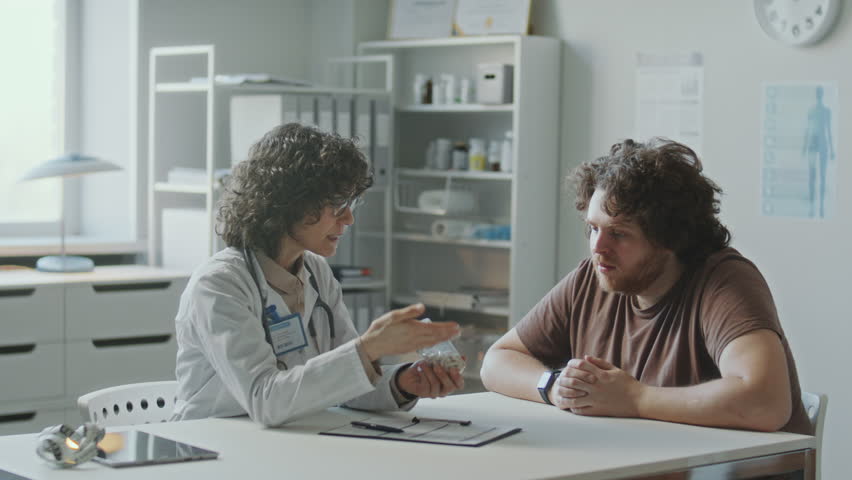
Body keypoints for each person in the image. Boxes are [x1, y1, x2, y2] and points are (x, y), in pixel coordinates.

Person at [480, 138, 811, 435]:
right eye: (593, 228)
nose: (598, 247)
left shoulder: (724, 281)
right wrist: (553, 387)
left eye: (619, 234)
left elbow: (766, 402)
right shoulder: (594, 276)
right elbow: (498, 360)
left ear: (669, 238)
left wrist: (636, 398)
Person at [171, 123, 463, 426]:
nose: (348, 218)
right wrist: (368, 348)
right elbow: (265, 400)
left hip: (288, 441)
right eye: (337, 205)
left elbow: (343, 383)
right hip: (211, 446)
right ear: (290, 203)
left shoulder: (315, 271)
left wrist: (403, 382)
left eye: (350, 204)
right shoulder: (220, 284)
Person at [802, 85, 835, 218]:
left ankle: (820, 205)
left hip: (822, 145)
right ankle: (812, 205)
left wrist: (832, 149)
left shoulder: (827, 111)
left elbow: (828, 130)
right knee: (812, 175)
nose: (819, 94)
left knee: (822, 176)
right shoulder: (811, 111)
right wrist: (804, 147)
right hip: (813, 144)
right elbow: (807, 130)